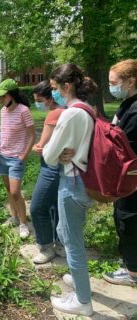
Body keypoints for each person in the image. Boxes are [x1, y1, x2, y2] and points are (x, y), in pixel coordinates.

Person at [43, 64, 97, 316]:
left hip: (72, 182)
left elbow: (49, 155)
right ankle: (79, 281)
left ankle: (82, 301)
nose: (53, 93)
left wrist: (55, 152)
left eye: (54, 88)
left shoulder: (70, 114)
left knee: (71, 241)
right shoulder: (87, 109)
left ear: (66, 86)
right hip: (83, 180)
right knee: (69, 234)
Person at [103, 59, 137, 286]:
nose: (110, 87)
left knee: (128, 220)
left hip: (132, 179)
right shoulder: (127, 103)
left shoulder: (135, 111)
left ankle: (133, 272)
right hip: (127, 178)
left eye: (114, 83)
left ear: (131, 81)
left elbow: (126, 147)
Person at [30, 81, 66, 264]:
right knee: (54, 205)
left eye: (39, 100)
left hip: (51, 166)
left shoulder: (54, 113)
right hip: (61, 165)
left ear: (50, 98)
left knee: (37, 207)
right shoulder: (65, 109)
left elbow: (41, 145)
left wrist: (37, 146)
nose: (37, 103)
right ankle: (59, 244)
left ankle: (45, 247)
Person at [0, 79, 36, 239]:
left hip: (16, 159)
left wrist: (24, 156)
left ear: (11, 96)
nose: (0, 100)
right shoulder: (3, 112)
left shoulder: (23, 111)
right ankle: (13, 217)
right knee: (8, 191)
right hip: (2, 156)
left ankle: (23, 224)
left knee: (15, 192)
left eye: (3, 96)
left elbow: (32, 135)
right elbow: (4, 133)